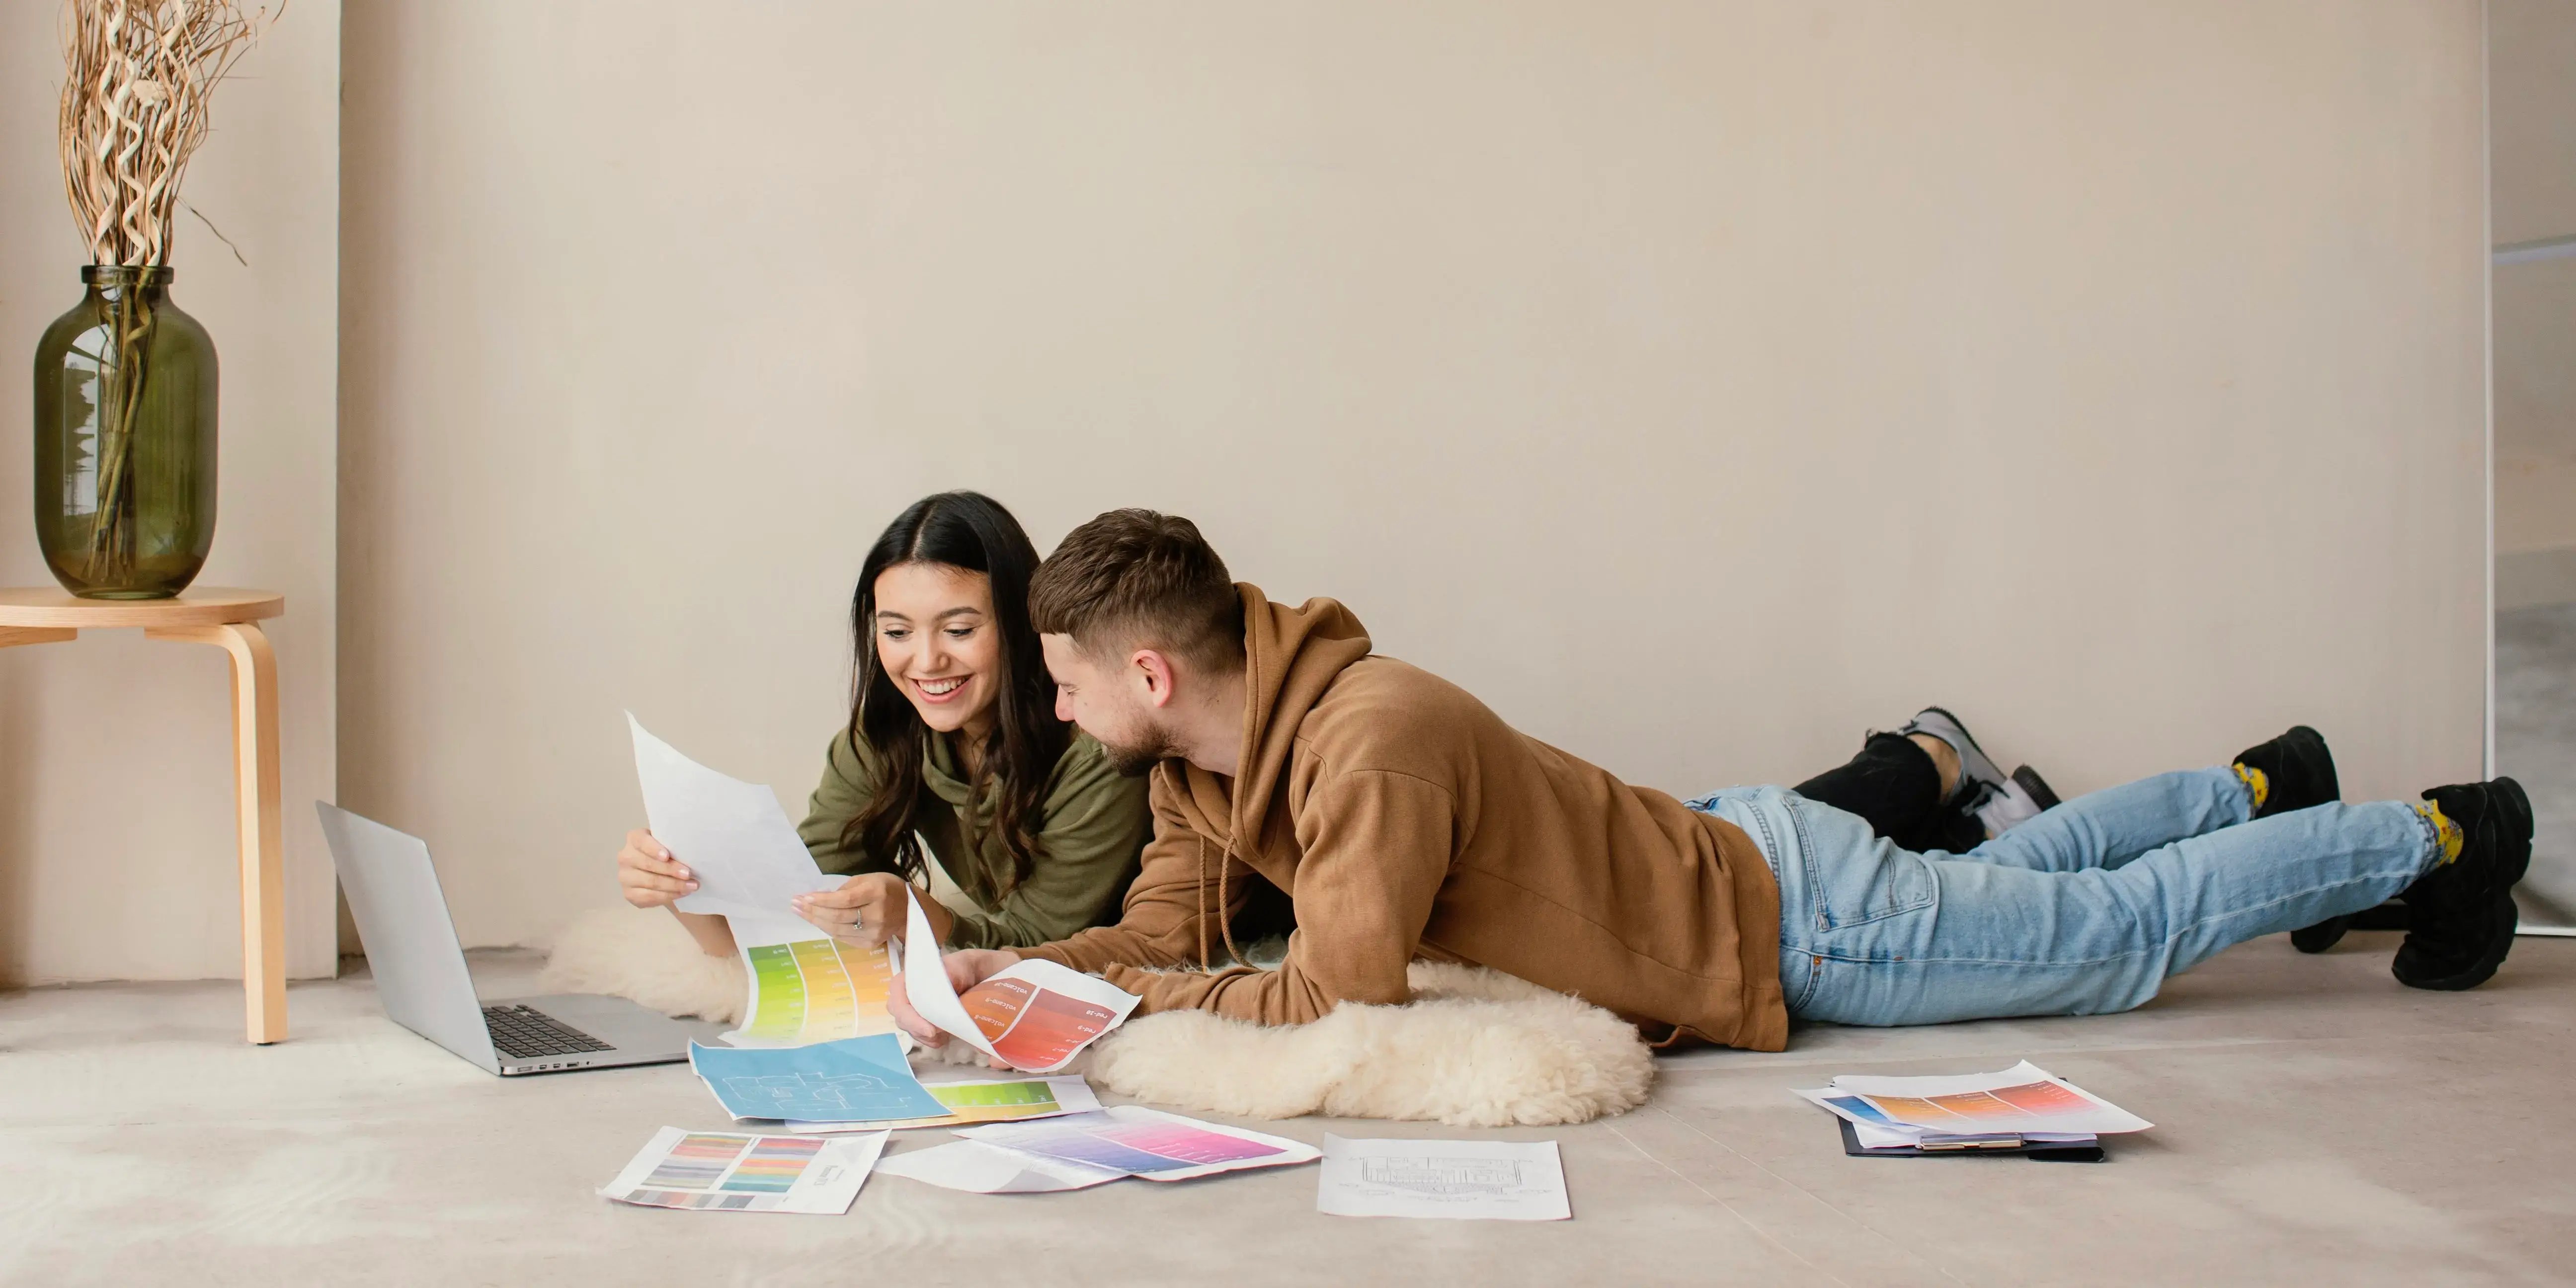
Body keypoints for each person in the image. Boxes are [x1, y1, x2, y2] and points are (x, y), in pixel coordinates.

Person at [889, 508, 2534, 1052]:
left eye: (1062, 669)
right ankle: (2252, 788)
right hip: (1754, 856)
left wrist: (1124, 1013)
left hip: (1797, 929)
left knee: (2111, 940)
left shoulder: (1367, 739)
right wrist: (1022, 970)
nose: (1051, 695)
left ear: (1149, 673)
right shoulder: (1206, 765)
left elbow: (1335, 991)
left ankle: (2441, 833)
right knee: (2043, 884)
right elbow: (1169, 937)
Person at [614, 492, 1153, 956]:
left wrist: (918, 920)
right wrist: (685, 887)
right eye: (896, 632)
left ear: (1017, 623)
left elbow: (1042, 949)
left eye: (959, 630)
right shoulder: (883, 737)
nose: (926, 661)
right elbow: (800, 904)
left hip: (1137, 962)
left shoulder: (1095, 743)